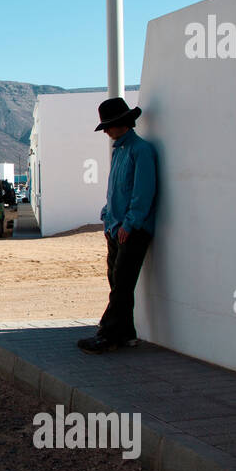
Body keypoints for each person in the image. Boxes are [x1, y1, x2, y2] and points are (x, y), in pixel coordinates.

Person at [77, 97, 158, 354]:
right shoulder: (120, 151)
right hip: (115, 227)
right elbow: (115, 191)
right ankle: (126, 333)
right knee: (117, 280)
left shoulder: (140, 150)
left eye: (110, 126)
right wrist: (108, 217)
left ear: (123, 123)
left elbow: (143, 192)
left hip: (132, 230)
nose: (107, 132)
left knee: (122, 283)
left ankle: (108, 334)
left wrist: (130, 223)